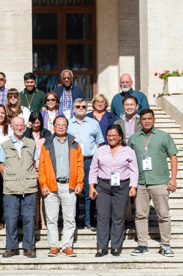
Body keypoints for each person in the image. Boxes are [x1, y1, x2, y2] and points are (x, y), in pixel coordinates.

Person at [129, 109, 178, 257]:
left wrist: (173, 179)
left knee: (163, 214)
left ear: (154, 120)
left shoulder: (164, 136)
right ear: (140, 121)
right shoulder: (134, 138)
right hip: (141, 183)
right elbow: (129, 161)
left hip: (159, 182)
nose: (147, 121)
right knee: (140, 215)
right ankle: (142, 244)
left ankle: (166, 245)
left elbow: (173, 157)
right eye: (144, 119)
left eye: (149, 118)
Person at [89, 124, 138, 257]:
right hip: (103, 186)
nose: (111, 138)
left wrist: (133, 187)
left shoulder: (128, 150)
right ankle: (101, 247)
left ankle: (116, 246)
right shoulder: (101, 150)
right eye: (109, 135)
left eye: (114, 135)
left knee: (118, 217)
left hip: (121, 186)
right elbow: (93, 168)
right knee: (102, 217)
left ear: (120, 136)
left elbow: (134, 170)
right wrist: (92, 186)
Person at [38, 116, 84, 258]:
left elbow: (80, 165)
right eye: (58, 125)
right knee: (51, 219)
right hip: (51, 186)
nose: (61, 127)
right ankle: (53, 246)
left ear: (67, 126)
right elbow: (42, 167)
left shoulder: (74, 144)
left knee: (70, 218)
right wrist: (43, 184)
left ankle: (67, 246)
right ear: (54, 126)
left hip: (69, 186)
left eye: (63, 125)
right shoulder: (47, 143)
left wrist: (79, 183)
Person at [0, 116, 39, 258]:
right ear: (11, 127)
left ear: (25, 126)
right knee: (10, 218)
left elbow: (35, 163)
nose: (20, 128)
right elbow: (2, 166)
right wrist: (10, 180)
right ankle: (11, 247)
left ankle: (29, 247)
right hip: (10, 188)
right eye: (16, 125)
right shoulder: (5, 145)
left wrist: (28, 177)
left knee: (29, 217)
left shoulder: (32, 144)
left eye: (22, 125)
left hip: (29, 186)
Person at [68, 98, 104, 230]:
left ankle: (89, 220)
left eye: (83, 106)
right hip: (73, 162)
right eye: (78, 106)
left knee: (90, 191)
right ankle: (77, 220)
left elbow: (99, 142)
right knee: (75, 192)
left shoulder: (94, 123)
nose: (81, 108)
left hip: (89, 160)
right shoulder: (68, 124)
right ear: (73, 109)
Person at [24, 111, 52, 230]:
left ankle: (44, 222)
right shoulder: (28, 134)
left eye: (38, 122)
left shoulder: (46, 133)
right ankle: (36, 222)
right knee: (35, 198)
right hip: (32, 168)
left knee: (44, 198)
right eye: (34, 123)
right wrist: (27, 128)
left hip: (45, 168)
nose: (36, 125)